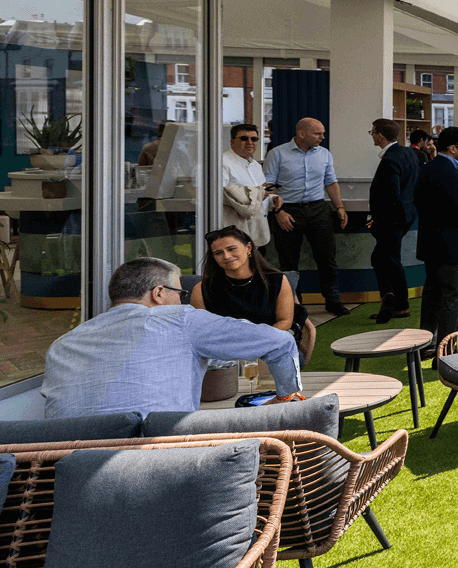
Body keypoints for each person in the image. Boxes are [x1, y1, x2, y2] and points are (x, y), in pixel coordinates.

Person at [42, 257, 302, 419]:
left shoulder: (62, 345)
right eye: (180, 292)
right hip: (160, 460)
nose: (182, 299)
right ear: (158, 293)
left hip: (61, 476)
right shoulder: (181, 319)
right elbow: (281, 342)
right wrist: (284, 398)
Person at [263, 117, 350, 316]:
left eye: (322, 133)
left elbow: (330, 182)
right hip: (287, 211)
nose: (322, 137)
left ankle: (332, 300)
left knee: (327, 258)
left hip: (318, 209)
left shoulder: (324, 154)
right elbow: (267, 187)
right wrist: (278, 212)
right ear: (302, 134)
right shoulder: (277, 154)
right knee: (289, 261)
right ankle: (294, 303)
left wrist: (340, 207)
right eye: (317, 133)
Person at [190, 226, 314, 364]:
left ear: (248, 248)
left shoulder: (276, 280)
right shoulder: (201, 289)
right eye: (218, 253)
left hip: (268, 344)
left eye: (231, 249)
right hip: (223, 352)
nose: (226, 256)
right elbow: (202, 331)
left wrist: (253, 344)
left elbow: (284, 321)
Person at [414, 127, 458, 359]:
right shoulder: (452, 173)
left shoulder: (427, 168)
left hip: (431, 245)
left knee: (431, 296)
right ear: (453, 148)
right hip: (452, 248)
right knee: (453, 299)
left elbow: (419, 203)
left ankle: (425, 345)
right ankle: (447, 352)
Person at [366, 118, 420, 323]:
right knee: (381, 258)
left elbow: (390, 195)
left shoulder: (390, 159)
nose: (371, 135)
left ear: (380, 135)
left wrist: (377, 222)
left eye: (372, 132)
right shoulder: (408, 153)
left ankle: (399, 303)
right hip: (406, 216)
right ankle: (391, 296)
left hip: (391, 220)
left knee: (390, 259)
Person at [220, 123, 281, 249]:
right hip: (235, 231)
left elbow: (260, 193)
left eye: (254, 139)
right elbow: (222, 194)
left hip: (257, 230)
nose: (250, 142)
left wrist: (271, 199)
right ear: (232, 141)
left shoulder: (255, 165)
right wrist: (259, 192)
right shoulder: (222, 162)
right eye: (244, 138)